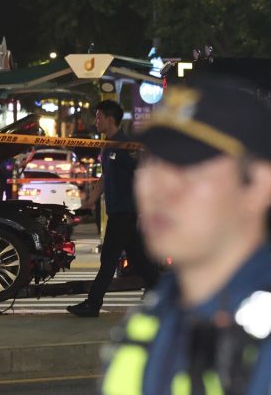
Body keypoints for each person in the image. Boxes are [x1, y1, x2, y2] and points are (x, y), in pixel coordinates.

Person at [100, 74, 271, 394]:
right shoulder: (147, 326)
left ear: (258, 185)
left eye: (189, 165)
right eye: (154, 162)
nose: (158, 188)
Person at [67, 100, 159, 317]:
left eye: (99, 116)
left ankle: (93, 304)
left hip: (125, 211)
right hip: (117, 210)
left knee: (108, 259)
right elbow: (105, 177)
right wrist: (90, 201)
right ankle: (168, 295)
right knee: (140, 260)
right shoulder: (107, 146)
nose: (96, 120)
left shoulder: (127, 145)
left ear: (110, 119)